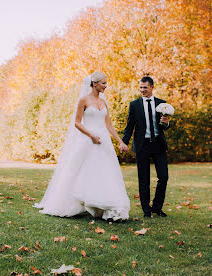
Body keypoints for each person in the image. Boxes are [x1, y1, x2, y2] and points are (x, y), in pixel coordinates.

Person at [34, 71, 130, 221]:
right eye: (103, 83)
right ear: (95, 83)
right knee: (83, 171)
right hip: (89, 140)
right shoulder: (83, 100)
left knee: (105, 172)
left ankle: (104, 205)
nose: (106, 86)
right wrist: (91, 135)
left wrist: (120, 141)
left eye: (106, 83)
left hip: (104, 141)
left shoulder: (104, 102)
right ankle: (81, 202)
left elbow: (109, 125)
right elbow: (77, 122)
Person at [121, 76, 170, 218]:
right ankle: (146, 210)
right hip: (142, 146)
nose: (142, 90)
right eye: (141, 87)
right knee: (144, 179)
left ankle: (157, 207)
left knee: (163, 177)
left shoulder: (162, 104)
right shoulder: (134, 105)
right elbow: (129, 127)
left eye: (145, 87)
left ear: (152, 87)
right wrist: (124, 142)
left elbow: (165, 126)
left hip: (158, 145)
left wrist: (166, 123)